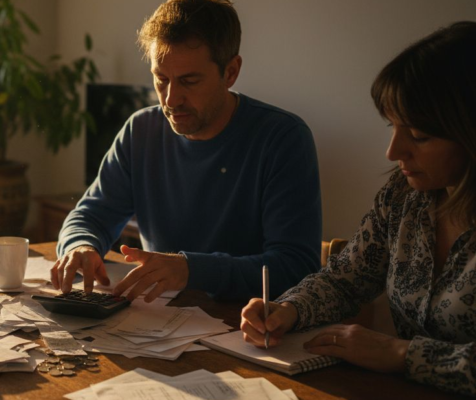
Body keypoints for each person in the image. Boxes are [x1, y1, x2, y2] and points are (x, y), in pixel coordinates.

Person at [240, 21, 476, 396]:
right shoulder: (404, 197)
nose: (393, 151)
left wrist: (401, 354)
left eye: (418, 135)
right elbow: (344, 279)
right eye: (392, 126)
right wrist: (289, 309)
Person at [51, 0, 322, 301]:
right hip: (159, 325)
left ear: (231, 72)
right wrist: (80, 246)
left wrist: (191, 270)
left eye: (189, 81)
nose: (171, 99)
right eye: (161, 79)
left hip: (247, 329)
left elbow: (296, 268)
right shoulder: (140, 130)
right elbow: (90, 216)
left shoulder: (282, 138)